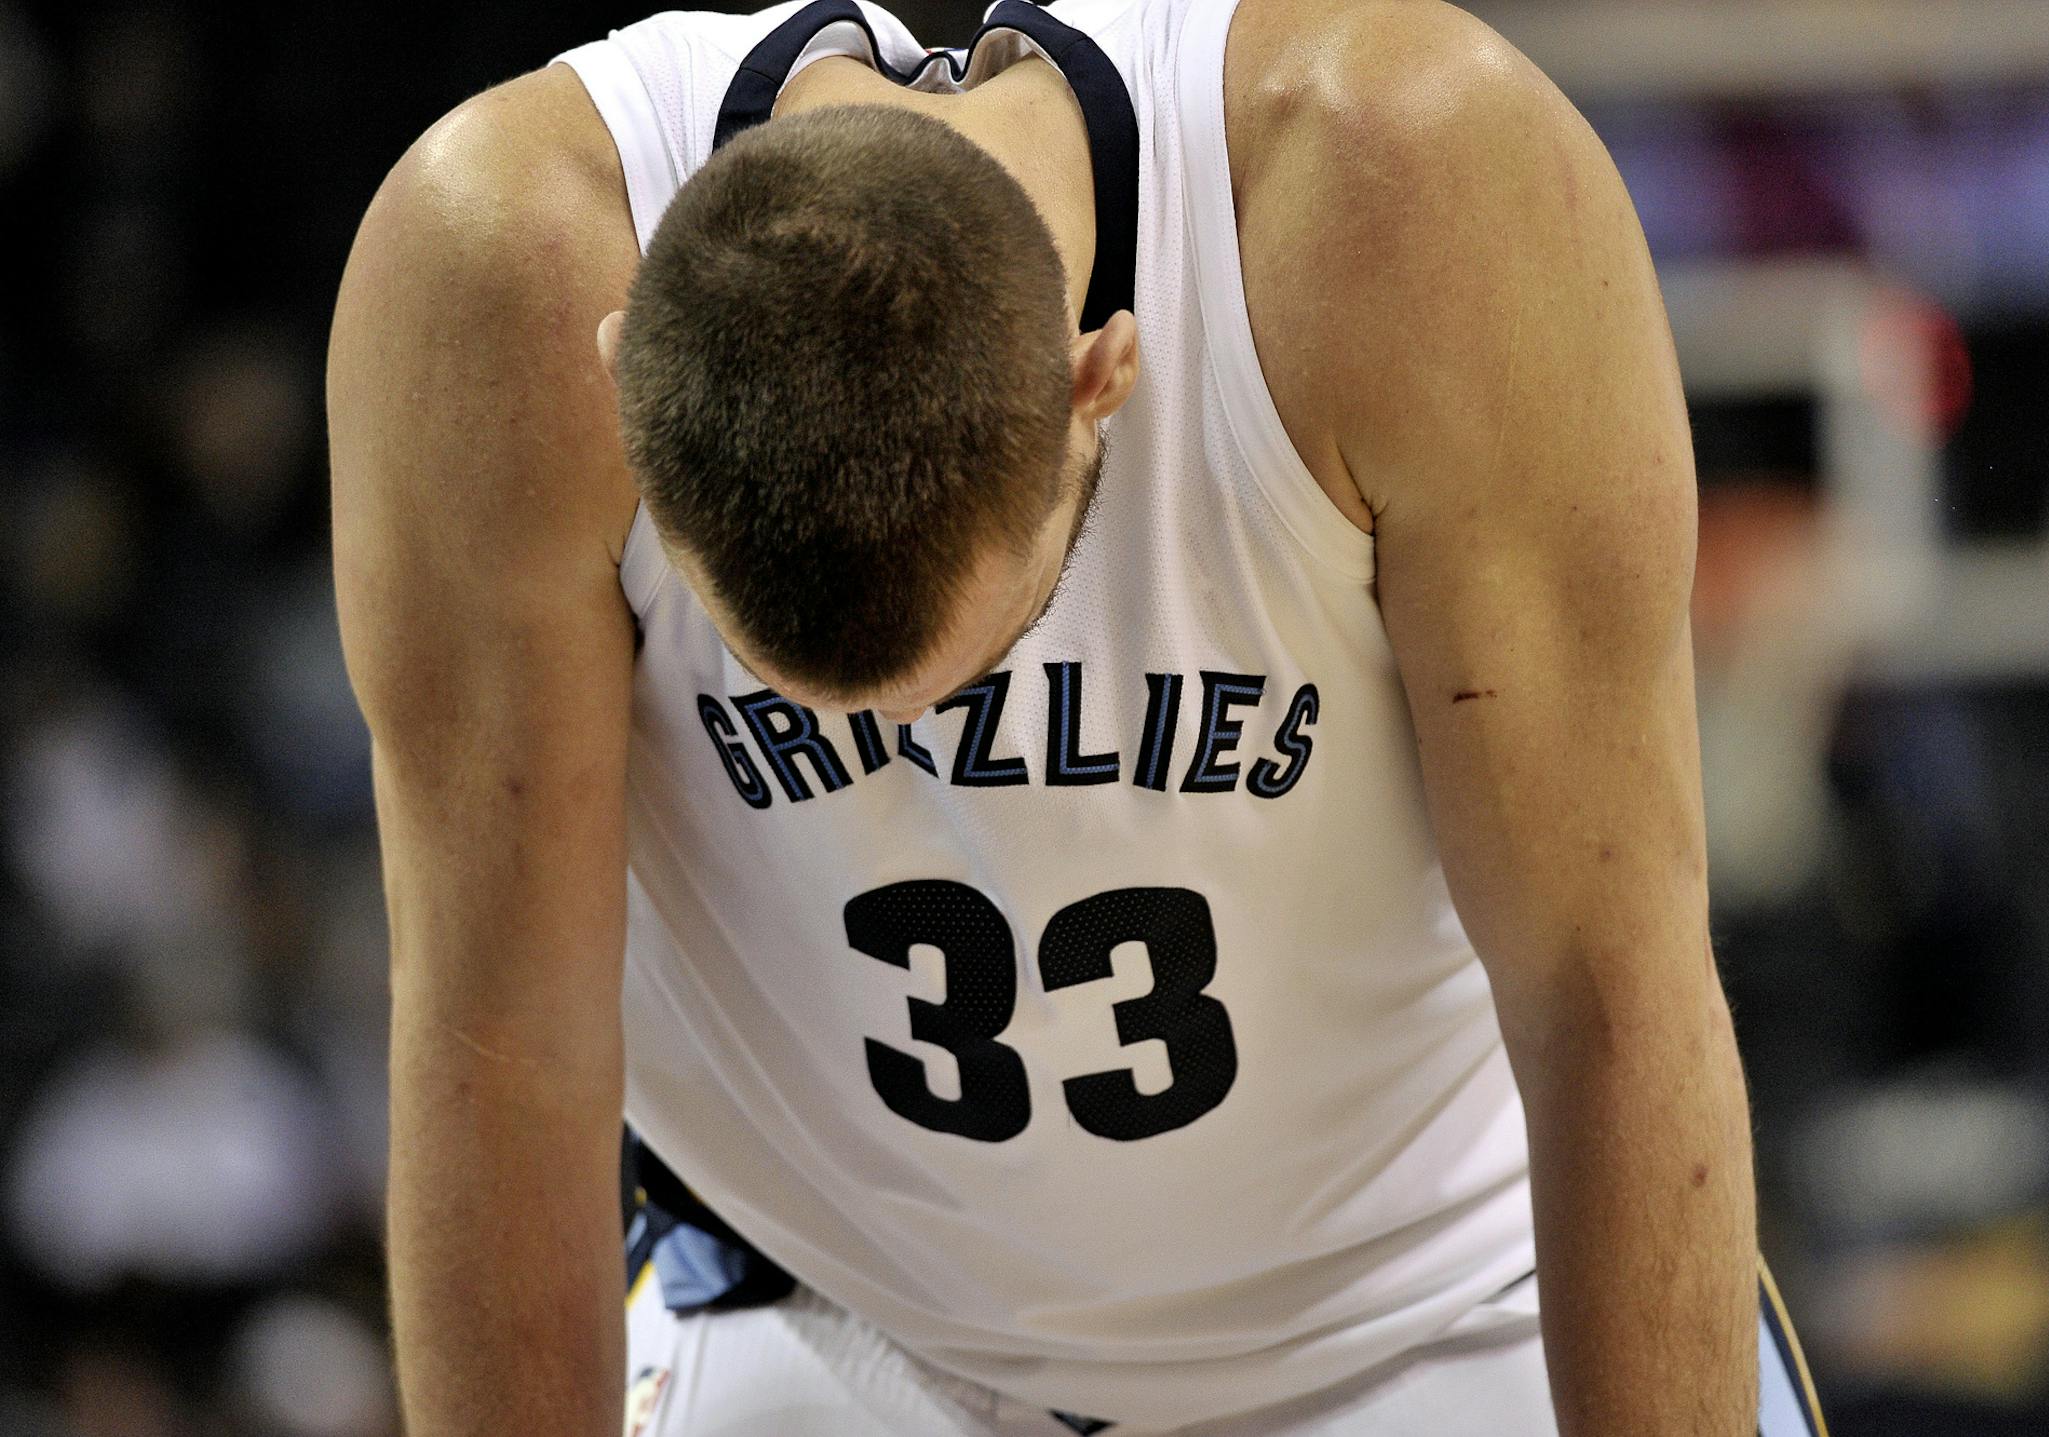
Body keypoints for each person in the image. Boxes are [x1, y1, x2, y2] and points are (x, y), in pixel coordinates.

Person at [327, 0, 1828, 1432]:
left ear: (1100, 381)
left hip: (1434, 1290)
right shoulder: (499, 271)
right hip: (828, 1305)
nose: (919, 747)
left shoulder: (1402, 196)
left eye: (961, 669)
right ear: (614, 385)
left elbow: (1607, 978)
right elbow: (498, 1046)